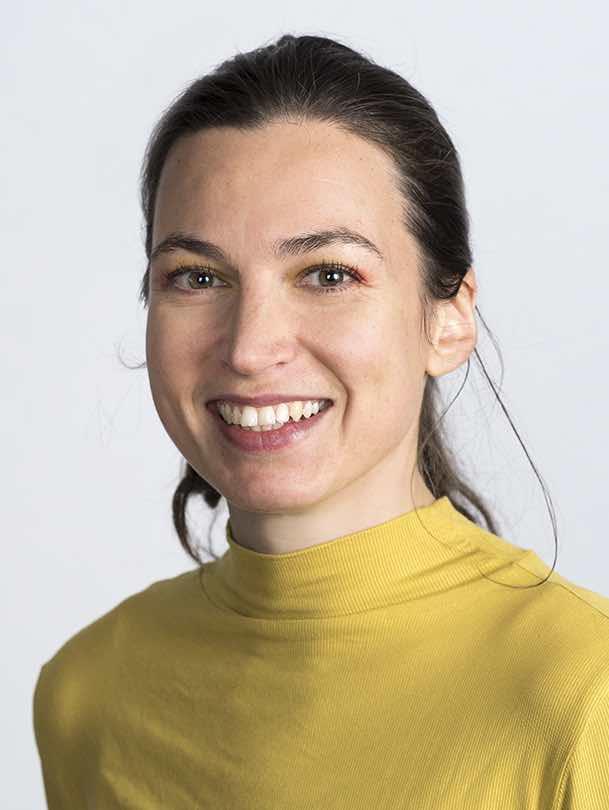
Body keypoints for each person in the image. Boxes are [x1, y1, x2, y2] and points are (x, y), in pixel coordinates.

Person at [33, 34, 609, 808]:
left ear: (447, 318)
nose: (249, 348)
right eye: (197, 277)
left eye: (328, 274)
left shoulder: (587, 698)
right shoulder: (87, 694)